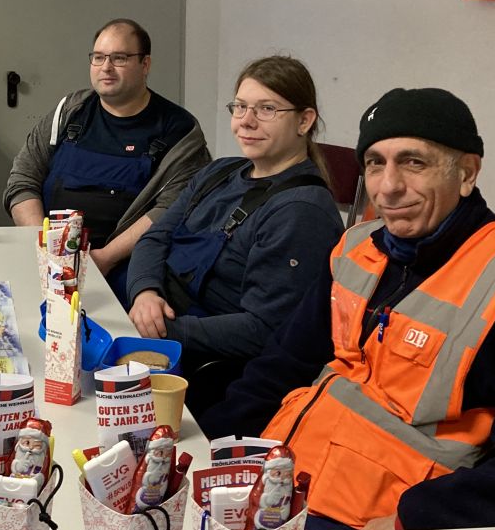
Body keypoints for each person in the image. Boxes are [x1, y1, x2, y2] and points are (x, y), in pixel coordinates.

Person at [200, 87, 495, 530]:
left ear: (466, 173)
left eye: (414, 163)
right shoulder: (355, 249)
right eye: (375, 163)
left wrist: (415, 519)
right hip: (284, 484)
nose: (388, 187)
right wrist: (211, 445)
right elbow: (284, 364)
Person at [125, 56, 342, 385]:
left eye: (266, 109)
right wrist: (144, 293)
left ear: (304, 121)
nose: (246, 122)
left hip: (198, 359)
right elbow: (155, 237)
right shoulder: (218, 171)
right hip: (151, 311)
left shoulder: (301, 212)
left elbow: (263, 329)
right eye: (240, 107)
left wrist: (159, 328)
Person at [4, 18, 211, 302]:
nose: (106, 67)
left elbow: (174, 207)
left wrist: (105, 259)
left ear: (145, 64)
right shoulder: (70, 111)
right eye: (99, 57)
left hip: (127, 268)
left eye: (120, 58)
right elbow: (23, 177)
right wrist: (43, 245)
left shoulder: (179, 130)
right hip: (49, 261)